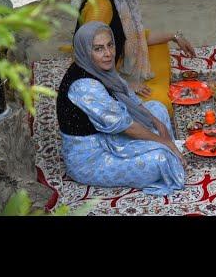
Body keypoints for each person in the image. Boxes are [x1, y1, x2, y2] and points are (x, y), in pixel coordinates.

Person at [56, 21, 185, 195]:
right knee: (161, 160)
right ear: (86, 51)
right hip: (91, 158)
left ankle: (170, 151)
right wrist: (164, 142)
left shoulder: (98, 67)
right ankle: (171, 153)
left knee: (157, 109)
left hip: (109, 136)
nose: (108, 53)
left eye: (110, 45)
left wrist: (156, 123)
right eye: (98, 49)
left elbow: (127, 94)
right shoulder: (84, 86)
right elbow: (126, 126)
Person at [75, 0, 196, 115]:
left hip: (112, 60)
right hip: (100, 76)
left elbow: (135, 36)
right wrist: (124, 85)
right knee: (160, 106)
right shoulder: (102, 5)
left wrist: (175, 36)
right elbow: (87, 55)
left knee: (160, 48)